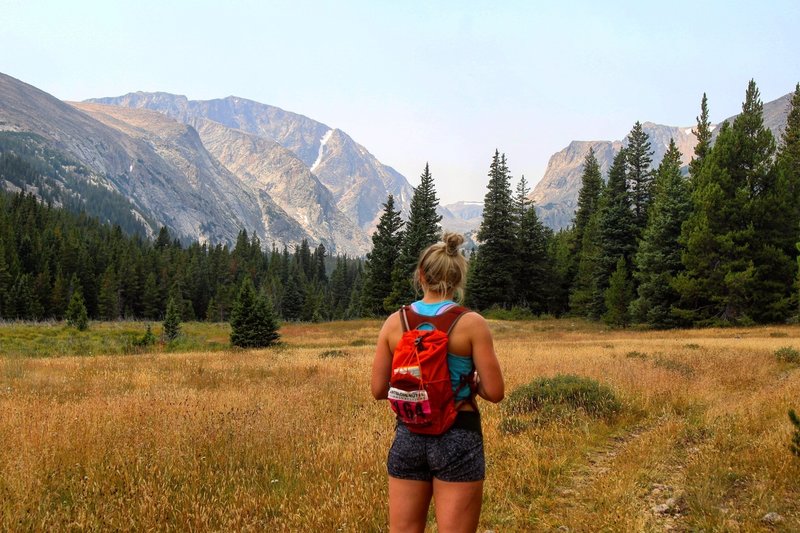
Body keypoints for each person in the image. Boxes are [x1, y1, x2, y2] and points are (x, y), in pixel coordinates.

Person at [371, 232, 505, 533]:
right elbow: (495, 393)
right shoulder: (472, 324)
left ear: (420, 275)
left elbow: (378, 389)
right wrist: (471, 383)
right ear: (457, 279)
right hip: (458, 434)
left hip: (409, 434)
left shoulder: (396, 322)